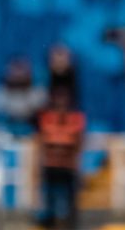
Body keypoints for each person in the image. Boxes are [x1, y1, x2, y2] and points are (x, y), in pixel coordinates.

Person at [34, 84, 86, 229]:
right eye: (58, 98)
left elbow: (79, 143)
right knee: (49, 197)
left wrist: (77, 164)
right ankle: (49, 222)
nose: (61, 101)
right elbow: (41, 142)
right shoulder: (46, 118)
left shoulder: (76, 118)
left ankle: (70, 224)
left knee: (70, 199)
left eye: (64, 98)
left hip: (68, 167)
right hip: (50, 165)